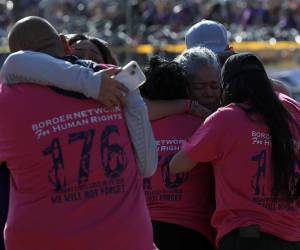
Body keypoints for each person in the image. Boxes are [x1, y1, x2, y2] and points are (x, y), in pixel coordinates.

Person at [0, 16, 157, 250]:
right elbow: (147, 167)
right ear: (65, 44)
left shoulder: (7, 101)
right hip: (127, 239)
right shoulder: (111, 79)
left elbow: (15, 65)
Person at [170, 52, 300, 250]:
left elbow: (177, 165)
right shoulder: (290, 117)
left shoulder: (227, 118)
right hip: (291, 236)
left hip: (245, 237)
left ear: (228, 86)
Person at [140, 53, 216, 250]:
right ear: (186, 88)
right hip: (194, 233)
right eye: (200, 86)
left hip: (145, 232)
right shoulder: (206, 124)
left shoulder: (135, 125)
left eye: (214, 86)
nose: (208, 92)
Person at [185, 19, 291, 96]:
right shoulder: (183, 81)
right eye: (202, 61)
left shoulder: (239, 76)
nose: (212, 65)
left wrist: (243, 67)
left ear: (230, 52)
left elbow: (284, 93)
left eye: (216, 59)